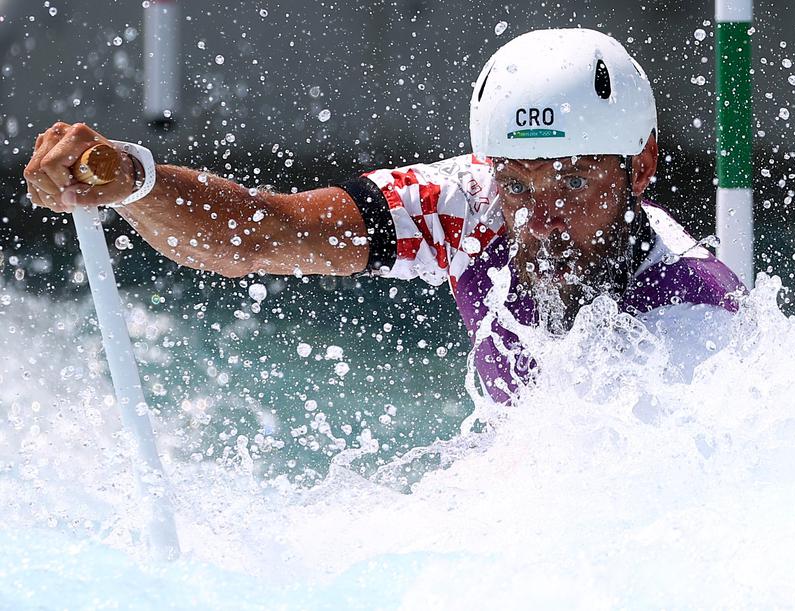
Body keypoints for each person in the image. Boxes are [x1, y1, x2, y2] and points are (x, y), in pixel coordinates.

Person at [22, 28, 744, 403]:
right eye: (520, 185)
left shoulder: (696, 319)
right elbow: (262, 232)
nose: (545, 220)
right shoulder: (472, 203)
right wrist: (132, 180)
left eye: (576, 182)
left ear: (640, 166)